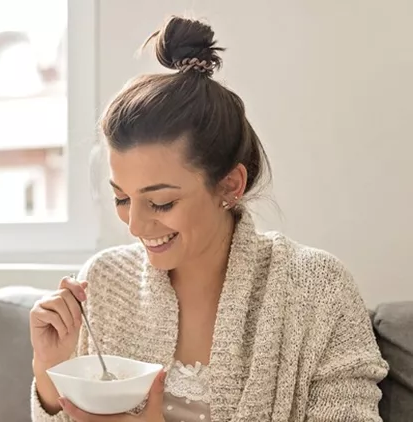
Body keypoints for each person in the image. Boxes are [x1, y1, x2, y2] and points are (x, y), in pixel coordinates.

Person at [28, 15, 388, 422]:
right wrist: (50, 377)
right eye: (122, 198)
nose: (136, 226)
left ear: (231, 185)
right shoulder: (107, 283)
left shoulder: (317, 290)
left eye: (161, 202)